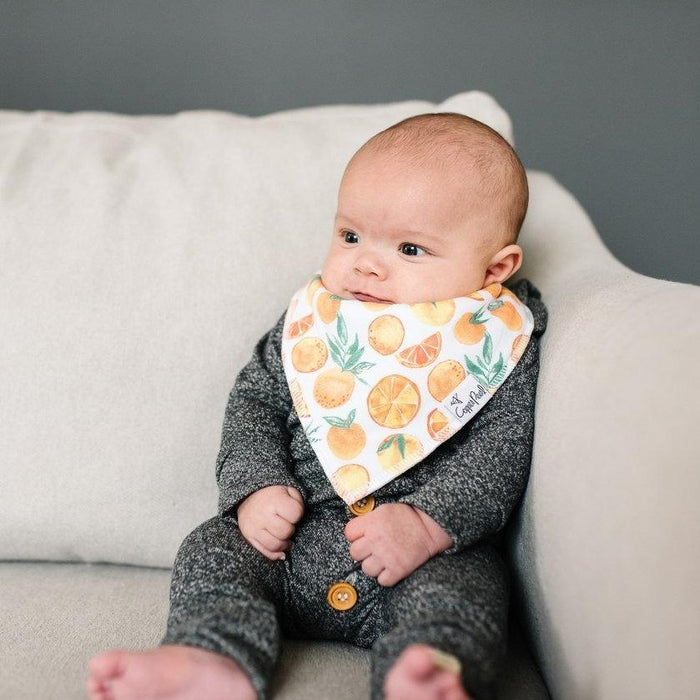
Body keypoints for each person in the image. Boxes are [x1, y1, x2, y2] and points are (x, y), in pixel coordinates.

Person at [87, 111, 548, 700]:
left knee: (469, 589)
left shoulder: (497, 341)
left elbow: (501, 449)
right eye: (351, 236)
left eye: (410, 248)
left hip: (414, 559)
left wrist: (430, 525)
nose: (365, 262)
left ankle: (429, 673)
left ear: (495, 269)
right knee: (212, 548)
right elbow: (254, 401)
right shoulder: (315, 323)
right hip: (291, 543)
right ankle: (211, 660)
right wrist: (256, 487)